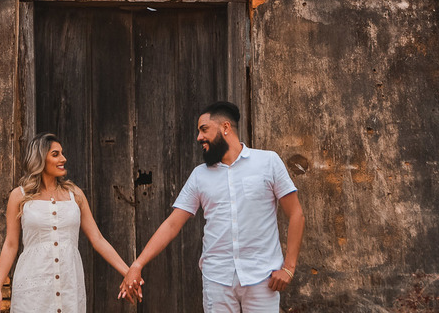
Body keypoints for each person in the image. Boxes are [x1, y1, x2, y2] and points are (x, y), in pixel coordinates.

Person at [118, 101, 305, 312]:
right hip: (217, 280)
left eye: (204, 129)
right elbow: (172, 225)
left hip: (263, 278)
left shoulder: (268, 162)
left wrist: (288, 269)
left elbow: (296, 213)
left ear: (225, 127)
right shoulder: (199, 175)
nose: (199, 137)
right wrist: (137, 264)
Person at [0, 133, 135, 313]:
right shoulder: (19, 196)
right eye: (56, 154)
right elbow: (11, 244)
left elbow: (98, 238)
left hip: (69, 283)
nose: (63, 159)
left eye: (62, 153)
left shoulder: (76, 195)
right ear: (41, 158)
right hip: (32, 285)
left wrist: (128, 272)